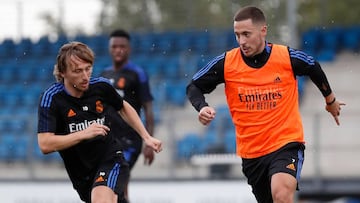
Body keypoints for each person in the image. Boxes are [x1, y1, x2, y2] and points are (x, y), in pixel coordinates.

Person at [186, 6, 345, 203]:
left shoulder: (286, 57)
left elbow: (313, 66)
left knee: (281, 196)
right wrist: (201, 106)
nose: (242, 41)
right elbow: (193, 86)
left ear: (263, 31)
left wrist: (330, 100)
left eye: (246, 34)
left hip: (285, 143)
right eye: (237, 35)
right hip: (252, 154)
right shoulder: (227, 63)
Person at [37, 41, 162, 203]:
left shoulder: (101, 87)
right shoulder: (51, 99)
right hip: (82, 175)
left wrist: (146, 137)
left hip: (111, 158)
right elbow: (45, 144)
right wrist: (83, 134)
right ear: (62, 73)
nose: (85, 76)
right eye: (77, 71)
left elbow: (123, 106)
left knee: (101, 200)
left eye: (88, 69)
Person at [100, 29, 156, 202]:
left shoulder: (137, 74)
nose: (118, 50)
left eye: (122, 46)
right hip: (109, 139)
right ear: (109, 49)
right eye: (114, 46)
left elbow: (148, 108)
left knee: (118, 180)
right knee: (115, 186)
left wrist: (149, 140)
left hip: (130, 140)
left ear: (129, 49)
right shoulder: (104, 75)